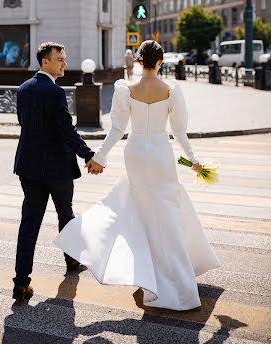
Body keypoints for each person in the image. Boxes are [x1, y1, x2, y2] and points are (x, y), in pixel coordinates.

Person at [54, 40, 220, 311]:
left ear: (139, 61)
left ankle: (148, 275)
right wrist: (194, 161)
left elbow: (118, 128)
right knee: (166, 214)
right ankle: (178, 283)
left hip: (136, 155)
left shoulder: (125, 89)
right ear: (161, 62)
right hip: (161, 153)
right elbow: (179, 132)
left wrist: (100, 156)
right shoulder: (172, 90)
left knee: (142, 214)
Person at [12, 42, 104, 302]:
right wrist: (89, 155)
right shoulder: (54, 92)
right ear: (45, 62)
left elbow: (26, 124)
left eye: (64, 58)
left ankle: (21, 282)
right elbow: (66, 130)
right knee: (65, 214)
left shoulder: (23, 89)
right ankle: (72, 261)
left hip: (29, 167)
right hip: (57, 169)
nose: (64, 63)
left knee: (29, 224)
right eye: (60, 59)